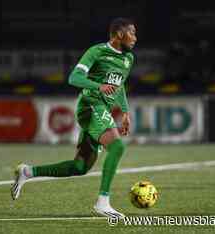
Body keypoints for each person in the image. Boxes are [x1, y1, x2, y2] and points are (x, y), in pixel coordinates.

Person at [11, 17, 137, 218]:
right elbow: (74, 78)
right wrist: (98, 86)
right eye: (132, 33)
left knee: (80, 167)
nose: (135, 38)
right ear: (120, 34)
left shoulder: (128, 58)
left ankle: (28, 172)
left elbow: (119, 85)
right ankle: (103, 203)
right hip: (89, 105)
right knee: (117, 146)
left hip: (102, 108)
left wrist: (125, 112)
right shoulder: (96, 52)